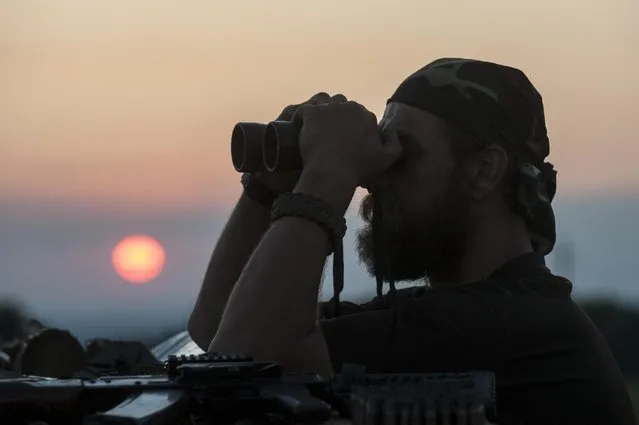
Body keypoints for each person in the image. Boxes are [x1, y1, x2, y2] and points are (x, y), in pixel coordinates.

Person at [188, 58, 636, 424]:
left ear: (484, 171)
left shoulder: (498, 325)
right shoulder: (472, 310)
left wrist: (326, 175)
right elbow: (217, 333)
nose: (375, 181)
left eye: (404, 154)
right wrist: (268, 187)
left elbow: (242, 360)